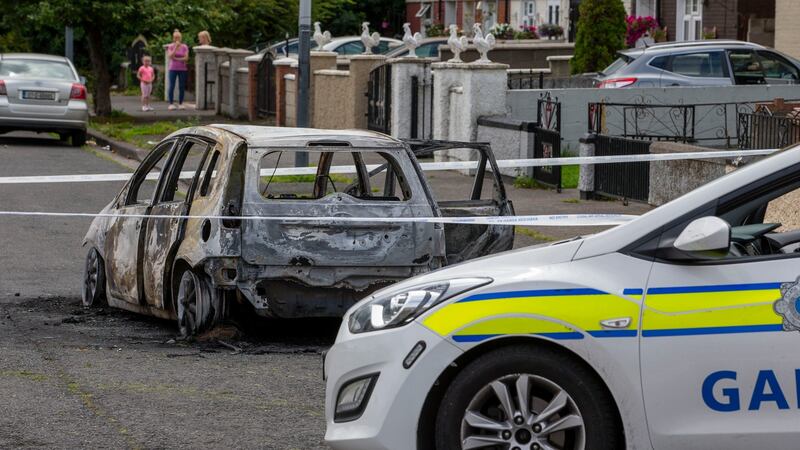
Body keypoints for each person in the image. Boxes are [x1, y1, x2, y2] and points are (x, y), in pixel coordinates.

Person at [166, 29, 189, 110]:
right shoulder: (171, 46)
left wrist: (176, 58)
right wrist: (175, 47)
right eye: (175, 38)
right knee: (171, 86)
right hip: (173, 68)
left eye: (178, 37)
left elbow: (186, 58)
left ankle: (181, 103)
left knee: (181, 86)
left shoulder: (184, 46)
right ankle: (171, 103)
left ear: (181, 38)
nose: (177, 39)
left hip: (182, 69)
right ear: (173, 38)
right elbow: (170, 56)